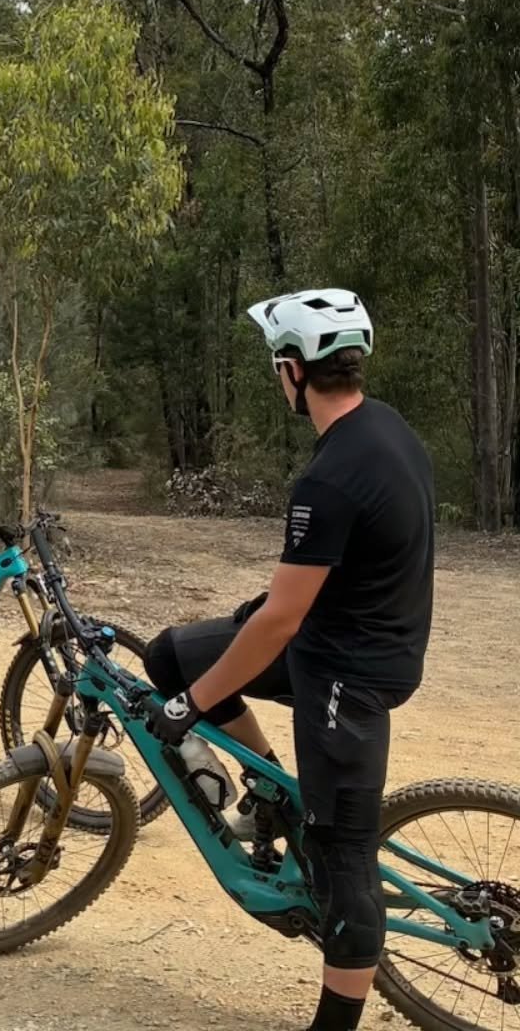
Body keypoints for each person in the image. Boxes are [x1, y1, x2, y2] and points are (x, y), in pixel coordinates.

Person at [141, 288, 434, 1031]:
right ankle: (273, 789)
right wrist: (200, 675)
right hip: (332, 637)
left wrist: (193, 707)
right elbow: (303, 592)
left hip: (351, 674)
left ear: (296, 371)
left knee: (344, 861)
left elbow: (282, 619)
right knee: (171, 654)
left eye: (279, 368)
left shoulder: (328, 478)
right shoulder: (387, 429)